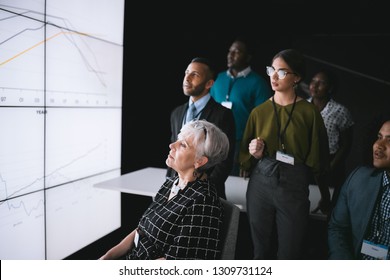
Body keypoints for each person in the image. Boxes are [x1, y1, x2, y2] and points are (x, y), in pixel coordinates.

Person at [239, 49, 330, 259]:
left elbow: (319, 159)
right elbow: (246, 157)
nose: (273, 76)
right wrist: (255, 154)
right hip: (260, 183)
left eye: (281, 72)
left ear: (296, 77)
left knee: (290, 253)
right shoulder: (258, 112)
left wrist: (325, 196)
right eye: (272, 70)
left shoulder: (309, 113)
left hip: (294, 184)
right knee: (259, 251)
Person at [99, 120, 229, 260]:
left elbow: (175, 262)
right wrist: (106, 258)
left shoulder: (203, 202)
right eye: (178, 140)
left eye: (183, 145)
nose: (172, 145)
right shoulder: (171, 183)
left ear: (199, 161)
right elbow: (141, 230)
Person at [166, 57, 236, 199]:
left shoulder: (223, 115)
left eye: (195, 75)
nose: (187, 78)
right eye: (187, 73)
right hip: (177, 187)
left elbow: (225, 160)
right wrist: (170, 182)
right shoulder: (177, 113)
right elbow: (174, 150)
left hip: (207, 192)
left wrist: (203, 188)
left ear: (209, 83)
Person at [328, 118, 390, 260]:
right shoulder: (358, 178)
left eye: (389, 140)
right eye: (379, 137)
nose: (379, 145)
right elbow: (338, 228)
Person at [210, 37, 272, 176]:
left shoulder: (258, 83)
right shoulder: (218, 78)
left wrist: (248, 157)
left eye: (236, 52)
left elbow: (263, 123)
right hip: (214, 142)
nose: (230, 55)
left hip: (240, 145)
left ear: (248, 57)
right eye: (229, 51)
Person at [307, 69, 354, 208]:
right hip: (307, 163)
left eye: (321, 83)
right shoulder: (302, 106)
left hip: (330, 162)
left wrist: (331, 167)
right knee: (307, 201)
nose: (315, 86)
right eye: (313, 81)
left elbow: (346, 144)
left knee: (328, 206)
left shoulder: (340, 111)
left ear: (330, 88)